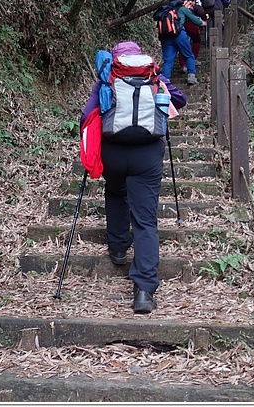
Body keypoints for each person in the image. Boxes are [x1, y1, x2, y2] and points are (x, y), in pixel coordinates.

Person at [79, 41, 187, 314]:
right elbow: (180, 99)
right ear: (140, 58)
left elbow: (85, 116)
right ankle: (144, 291)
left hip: (113, 152)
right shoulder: (154, 76)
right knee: (145, 219)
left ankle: (117, 248)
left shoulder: (107, 77)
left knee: (115, 192)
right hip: (148, 155)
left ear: (116, 59)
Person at [155, 0, 206, 85]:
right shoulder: (182, 9)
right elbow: (195, 20)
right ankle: (191, 77)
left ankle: (165, 82)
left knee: (168, 60)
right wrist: (203, 23)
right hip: (179, 35)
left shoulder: (164, 9)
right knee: (189, 55)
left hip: (166, 37)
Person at [177, 0, 206, 72]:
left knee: (183, 44)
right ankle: (193, 59)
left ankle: (183, 64)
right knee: (196, 40)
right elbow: (199, 11)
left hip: (179, 25)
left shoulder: (178, 3)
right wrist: (202, 21)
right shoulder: (191, 2)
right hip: (190, 24)